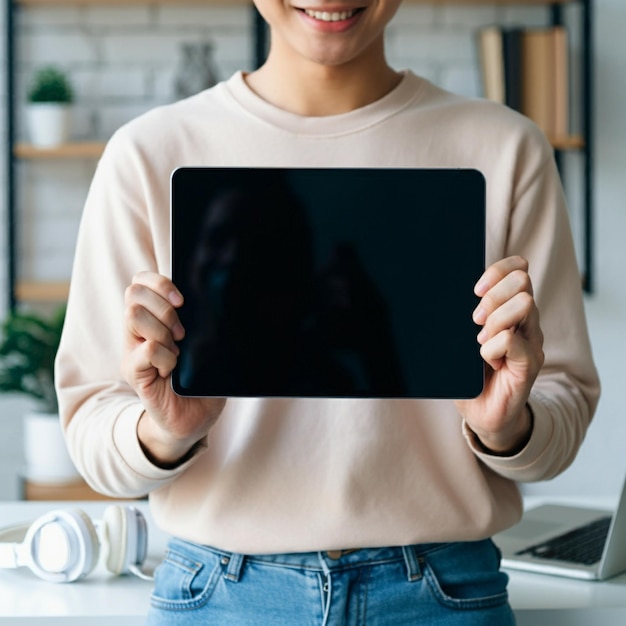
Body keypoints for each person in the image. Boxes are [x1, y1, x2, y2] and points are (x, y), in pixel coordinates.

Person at [55, 1, 600, 624]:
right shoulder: (149, 154)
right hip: (221, 593)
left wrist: (508, 428)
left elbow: (564, 407)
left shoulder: (506, 149)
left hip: (441, 592)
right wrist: (165, 434)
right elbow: (91, 420)